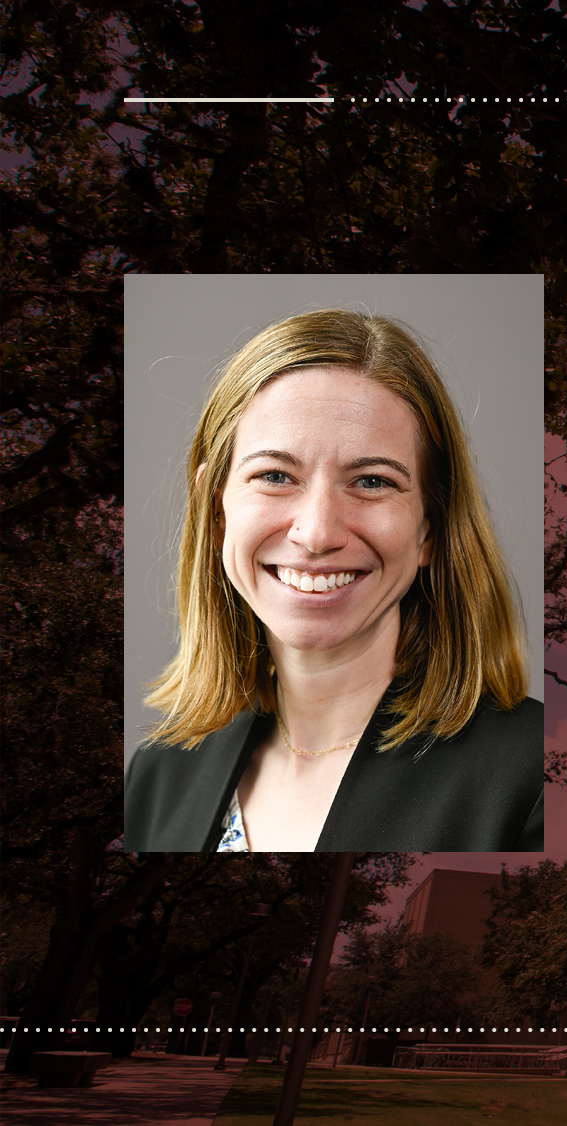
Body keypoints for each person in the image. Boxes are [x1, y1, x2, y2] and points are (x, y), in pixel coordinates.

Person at [125, 310, 542, 852]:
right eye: (274, 476)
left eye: (372, 481)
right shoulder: (157, 776)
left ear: (429, 530)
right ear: (216, 509)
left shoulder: (535, 777)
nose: (317, 533)